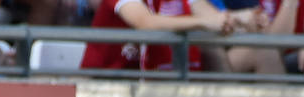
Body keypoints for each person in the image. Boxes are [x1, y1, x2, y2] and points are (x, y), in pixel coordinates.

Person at [79, 0, 234, 71]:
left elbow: (211, 16)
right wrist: (203, 22)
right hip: (103, 80)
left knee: (212, 49)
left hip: (147, 77)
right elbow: (145, 23)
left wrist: (239, 18)